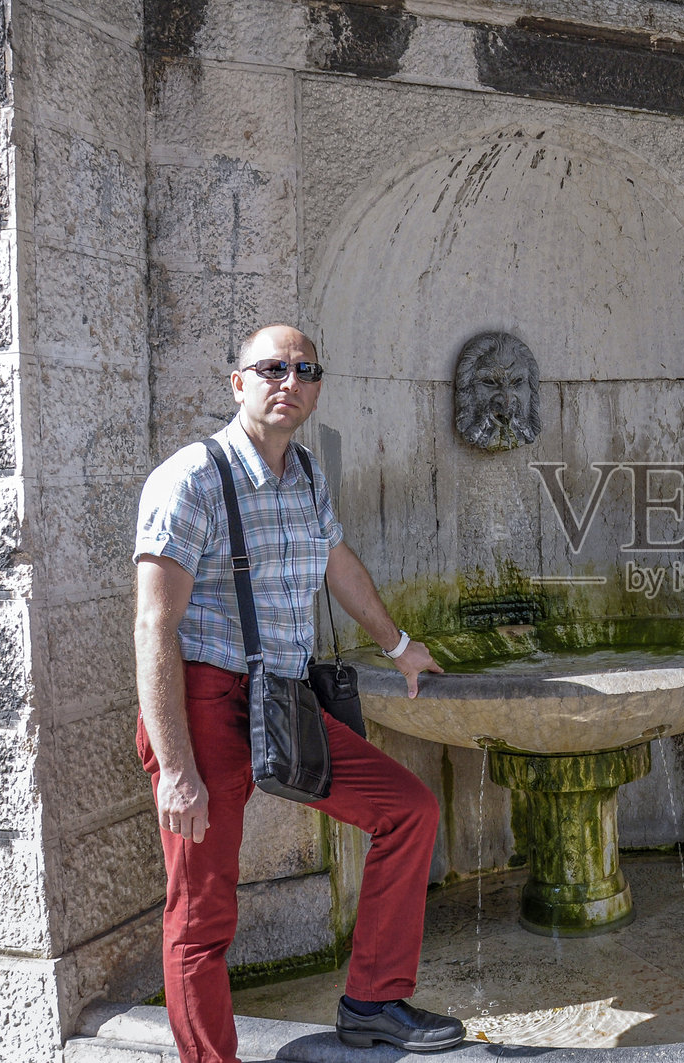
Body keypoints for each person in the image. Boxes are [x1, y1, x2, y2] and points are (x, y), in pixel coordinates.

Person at [132, 324, 465, 1060]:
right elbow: (154, 624)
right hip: (202, 705)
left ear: (316, 385)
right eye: (272, 367)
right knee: (202, 913)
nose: (290, 380)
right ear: (238, 382)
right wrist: (177, 767)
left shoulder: (307, 473)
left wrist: (401, 645)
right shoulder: (192, 478)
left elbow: (336, 561)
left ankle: (374, 1000)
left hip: (279, 701)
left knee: (408, 809)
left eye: (305, 368)